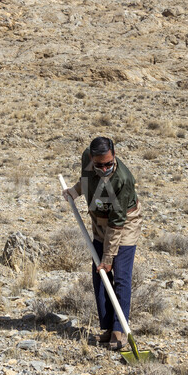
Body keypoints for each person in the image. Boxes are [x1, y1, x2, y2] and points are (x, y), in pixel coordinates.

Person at [63, 136, 142, 351]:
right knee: (100, 276)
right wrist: (75, 191)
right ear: (91, 158)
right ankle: (107, 328)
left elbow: (117, 224)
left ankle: (120, 329)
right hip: (99, 221)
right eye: (100, 165)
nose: (105, 168)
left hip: (124, 224)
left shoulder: (123, 179)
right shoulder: (87, 161)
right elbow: (88, 181)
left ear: (114, 155)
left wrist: (108, 259)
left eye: (109, 163)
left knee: (120, 274)